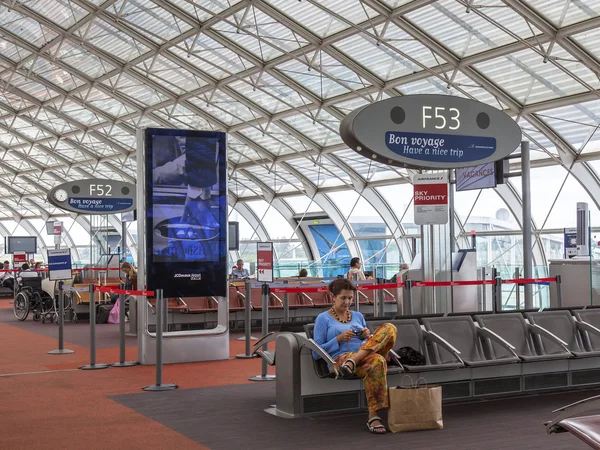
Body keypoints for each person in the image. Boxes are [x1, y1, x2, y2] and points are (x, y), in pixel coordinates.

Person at [312, 278, 397, 434]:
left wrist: (366, 336)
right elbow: (316, 353)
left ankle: (353, 361)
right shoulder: (323, 319)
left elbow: (368, 343)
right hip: (339, 359)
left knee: (390, 328)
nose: (347, 302)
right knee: (377, 361)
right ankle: (373, 415)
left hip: (357, 358)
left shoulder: (358, 316)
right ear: (333, 297)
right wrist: (338, 339)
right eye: (343, 298)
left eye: (350, 298)